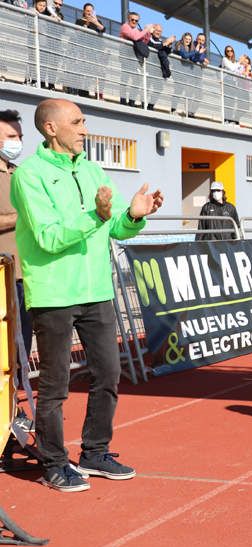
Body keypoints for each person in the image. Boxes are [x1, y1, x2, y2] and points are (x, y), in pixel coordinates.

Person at [11, 98, 164, 492]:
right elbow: (47, 238)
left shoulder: (94, 169)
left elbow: (113, 228)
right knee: (55, 386)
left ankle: (95, 453)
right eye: (77, 122)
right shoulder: (29, 175)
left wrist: (133, 216)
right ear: (51, 129)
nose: (85, 128)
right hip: (53, 293)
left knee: (109, 374)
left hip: (97, 290)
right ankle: (54, 463)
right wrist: (94, 217)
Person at [0, 110, 32, 369]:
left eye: (19, 136)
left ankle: (14, 408)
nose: (17, 142)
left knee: (22, 349)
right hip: (2, 276)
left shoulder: (21, 174)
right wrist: (22, 216)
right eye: (11, 136)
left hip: (26, 275)